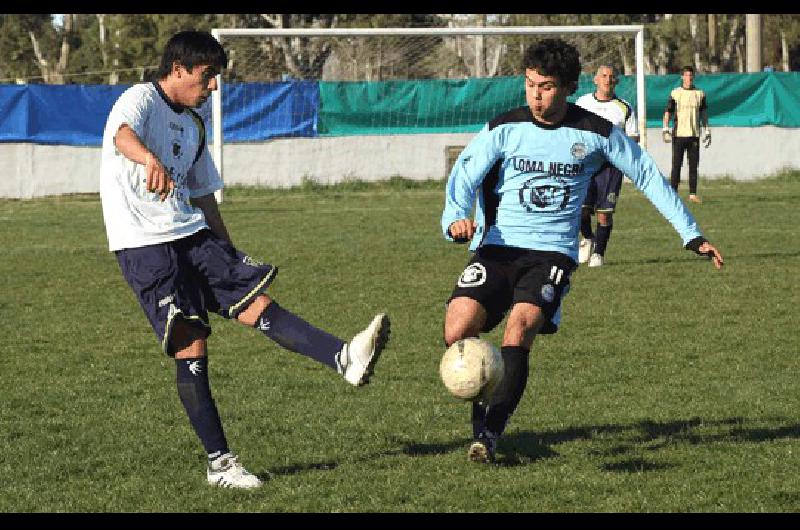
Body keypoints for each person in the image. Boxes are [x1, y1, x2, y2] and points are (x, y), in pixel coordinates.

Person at [99, 31, 390, 489]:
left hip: (192, 234)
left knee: (258, 304)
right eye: (207, 75)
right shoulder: (140, 98)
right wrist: (148, 159)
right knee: (191, 344)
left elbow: (204, 198)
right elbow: (121, 135)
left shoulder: (194, 125)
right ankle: (220, 465)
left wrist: (227, 249)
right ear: (178, 69)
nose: (213, 86)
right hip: (144, 243)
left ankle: (344, 357)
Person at [441, 39, 723, 464]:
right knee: (456, 331)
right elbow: (464, 174)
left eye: (547, 86)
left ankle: (490, 435)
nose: (537, 95)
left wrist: (690, 233)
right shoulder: (504, 127)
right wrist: (456, 218)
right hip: (497, 247)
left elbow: (647, 176)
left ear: (569, 87)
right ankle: (489, 402)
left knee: (519, 330)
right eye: (531, 85)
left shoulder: (596, 133)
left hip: (551, 254)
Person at [574, 65, 640, 267]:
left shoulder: (624, 108)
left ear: (616, 81)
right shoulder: (582, 103)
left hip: (611, 168)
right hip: (585, 165)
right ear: (595, 79)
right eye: (603, 76)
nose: (607, 79)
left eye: (612, 77)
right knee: (580, 210)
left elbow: (633, 137)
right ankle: (587, 237)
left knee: (604, 214)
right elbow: (573, 131)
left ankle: (598, 254)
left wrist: (623, 155)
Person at [662, 65, 710, 204]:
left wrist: (707, 129)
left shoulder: (699, 94)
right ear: (682, 77)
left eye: (691, 75)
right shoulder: (676, 93)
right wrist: (665, 127)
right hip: (678, 135)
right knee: (676, 165)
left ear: (693, 77)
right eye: (686, 75)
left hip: (694, 134)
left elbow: (703, 113)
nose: (688, 78)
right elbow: (668, 111)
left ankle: (693, 194)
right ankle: (673, 194)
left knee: (693, 166)